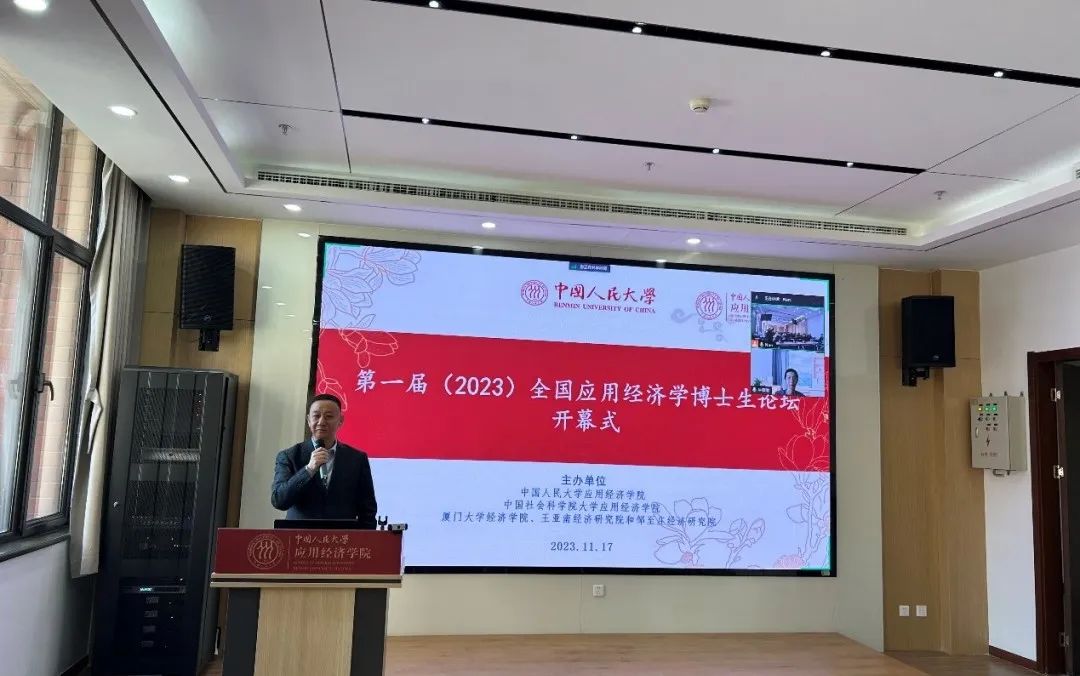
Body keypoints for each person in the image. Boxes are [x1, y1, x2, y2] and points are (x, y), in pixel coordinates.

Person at [270, 393, 377, 528]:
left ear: (340, 420)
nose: (321, 422)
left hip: (341, 537)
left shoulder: (357, 459)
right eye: (316, 416)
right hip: (299, 537)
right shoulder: (289, 456)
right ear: (308, 420)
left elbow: (367, 510)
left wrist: (365, 539)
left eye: (329, 416)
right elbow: (279, 500)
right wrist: (308, 470)